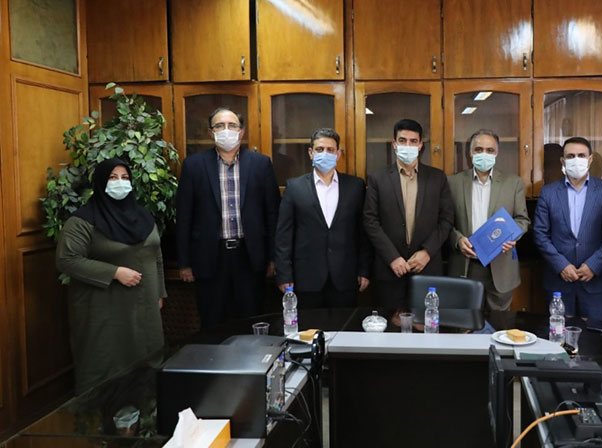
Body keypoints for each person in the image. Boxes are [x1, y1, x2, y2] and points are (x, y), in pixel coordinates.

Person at [56, 158, 165, 393]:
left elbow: (156, 255)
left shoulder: (144, 217)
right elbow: (67, 260)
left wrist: (159, 292)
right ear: (100, 182)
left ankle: (145, 410)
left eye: (125, 178)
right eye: (112, 178)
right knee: (108, 360)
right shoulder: (82, 220)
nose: (120, 183)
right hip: (105, 307)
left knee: (147, 357)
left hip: (145, 304)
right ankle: (103, 413)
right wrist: (114, 272)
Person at [176, 107, 279, 329]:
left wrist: (273, 257)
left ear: (241, 132)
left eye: (232, 125)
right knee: (212, 322)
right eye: (219, 126)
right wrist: (184, 263)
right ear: (210, 132)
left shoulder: (261, 164)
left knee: (252, 319)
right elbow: (184, 216)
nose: (226, 130)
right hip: (210, 257)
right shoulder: (193, 165)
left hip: (249, 257)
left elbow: (272, 214)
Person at [274, 128, 372, 308]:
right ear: (311, 153)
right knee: (309, 326)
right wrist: (284, 274)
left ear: (338, 154)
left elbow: (363, 233)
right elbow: (283, 236)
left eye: (330, 150)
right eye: (319, 149)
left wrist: (364, 269)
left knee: (345, 324)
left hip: (345, 277)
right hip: (306, 278)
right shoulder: (294, 187)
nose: (325, 154)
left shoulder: (355, 186)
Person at [363, 118, 454, 307]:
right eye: (402, 140)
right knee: (391, 323)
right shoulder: (377, 178)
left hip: (427, 268)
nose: (408, 146)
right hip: (389, 269)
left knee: (426, 322)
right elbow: (370, 221)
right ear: (394, 144)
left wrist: (427, 252)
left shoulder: (437, 178)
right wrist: (392, 257)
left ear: (420, 145)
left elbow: (446, 220)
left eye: (413, 141)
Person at [534, 137, 602, 321]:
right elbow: (540, 234)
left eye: (581, 155)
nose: (576, 160)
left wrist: (594, 265)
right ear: (563, 161)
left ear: (590, 159)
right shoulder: (548, 192)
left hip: (596, 282)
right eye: (570, 156)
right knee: (558, 335)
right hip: (559, 282)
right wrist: (561, 265)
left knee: (596, 335)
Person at [447, 129, 529, 311]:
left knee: (499, 324)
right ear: (470, 153)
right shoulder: (453, 182)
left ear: (496, 153)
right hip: (465, 264)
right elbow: (445, 222)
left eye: (490, 150)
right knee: (464, 323)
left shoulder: (513, 183)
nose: (484, 154)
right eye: (478, 149)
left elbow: (522, 220)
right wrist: (457, 239)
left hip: (500, 265)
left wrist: (511, 237)